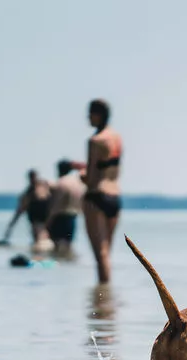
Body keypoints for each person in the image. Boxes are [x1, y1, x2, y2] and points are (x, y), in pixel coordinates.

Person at [79, 99, 123, 284]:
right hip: (114, 197)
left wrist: (81, 175)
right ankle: (107, 298)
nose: (87, 117)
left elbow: (90, 176)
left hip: (97, 195)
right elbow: (112, 169)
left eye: (90, 113)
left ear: (98, 114)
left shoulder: (95, 140)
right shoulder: (116, 138)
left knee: (100, 254)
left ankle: (102, 300)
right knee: (107, 253)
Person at [43, 159, 86, 257]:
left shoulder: (61, 183)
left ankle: (60, 268)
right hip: (72, 217)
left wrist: (48, 222)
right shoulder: (77, 182)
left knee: (57, 247)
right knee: (68, 246)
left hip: (60, 217)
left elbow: (55, 206)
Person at [4, 169, 52, 252]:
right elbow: (19, 211)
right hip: (35, 221)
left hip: (46, 220)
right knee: (39, 240)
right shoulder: (28, 194)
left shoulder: (45, 188)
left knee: (42, 240)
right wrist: (10, 228)